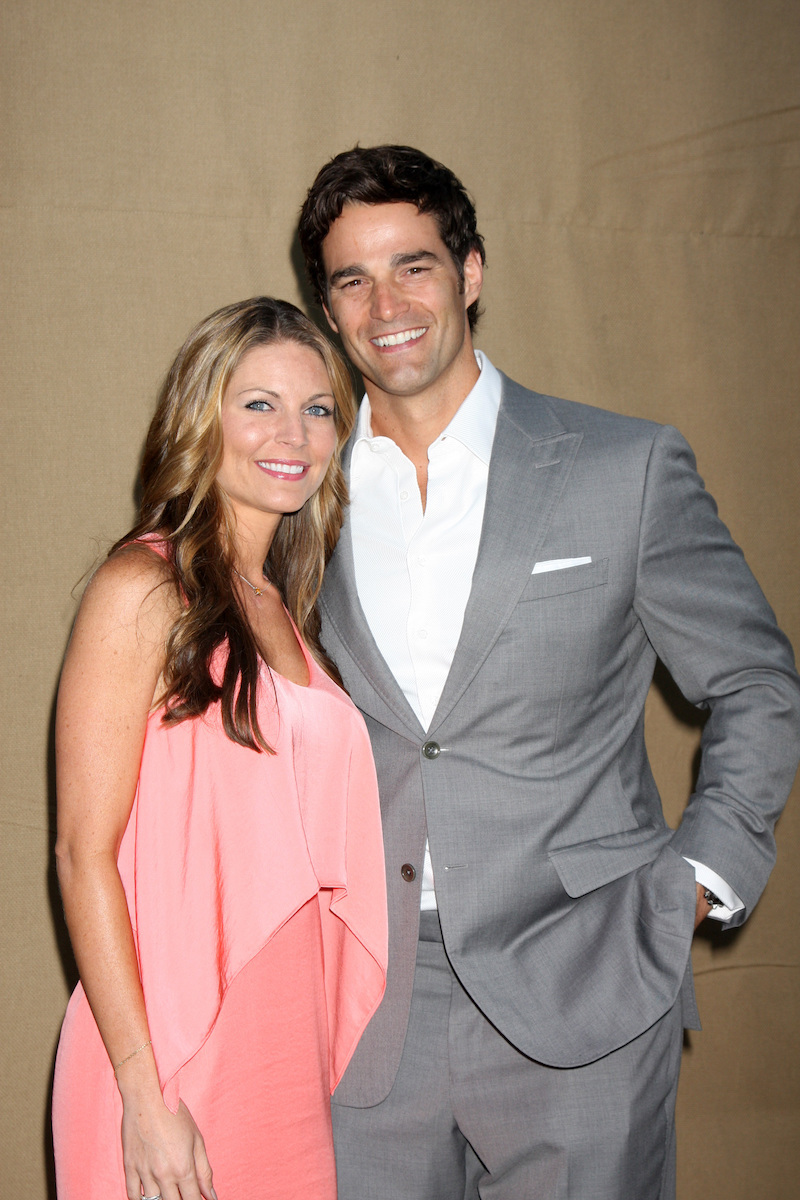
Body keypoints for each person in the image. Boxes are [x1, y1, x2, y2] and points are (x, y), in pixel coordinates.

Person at [297, 145, 800, 1199]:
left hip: (585, 980)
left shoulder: (624, 466)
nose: (385, 303)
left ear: (470, 272)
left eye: (413, 266)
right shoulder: (296, 493)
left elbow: (753, 679)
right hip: (362, 1003)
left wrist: (697, 877)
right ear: (327, 307)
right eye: (351, 278)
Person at [52, 296, 387, 1200]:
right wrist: (143, 1092)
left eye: (318, 409)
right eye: (259, 403)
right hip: (170, 1058)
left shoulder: (289, 611)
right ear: (204, 417)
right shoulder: (141, 588)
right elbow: (82, 855)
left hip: (284, 1061)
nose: (294, 433)